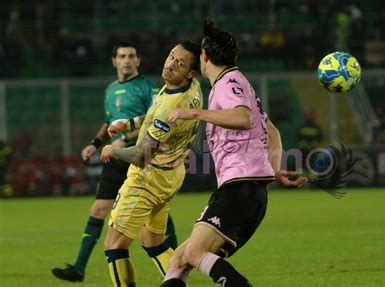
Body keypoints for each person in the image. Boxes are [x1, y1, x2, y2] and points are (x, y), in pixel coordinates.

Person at [161, 19, 306, 287]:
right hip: (251, 191)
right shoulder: (240, 82)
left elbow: (242, 117)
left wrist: (193, 113)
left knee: (193, 253)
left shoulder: (228, 83)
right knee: (179, 260)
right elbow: (271, 129)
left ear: (204, 57)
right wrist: (274, 170)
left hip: (238, 188)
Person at [51, 41, 178, 282]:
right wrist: (94, 144)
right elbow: (108, 121)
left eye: (131, 55)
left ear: (138, 60)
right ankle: (78, 268)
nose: (127, 60)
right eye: (122, 56)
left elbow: (154, 121)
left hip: (140, 156)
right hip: (115, 156)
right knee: (99, 209)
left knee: (156, 212)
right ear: (114, 61)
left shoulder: (147, 87)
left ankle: (176, 265)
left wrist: (124, 139)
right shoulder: (110, 89)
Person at [100, 40, 203, 286]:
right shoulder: (192, 87)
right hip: (172, 173)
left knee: (114, 246)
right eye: (171, 56)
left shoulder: (172, 105)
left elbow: (139, 155)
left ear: (191, 71)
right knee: (154, 242)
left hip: (148, 177)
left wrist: (113, 150)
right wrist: (130, 124)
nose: (171, 64)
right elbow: (156, 112)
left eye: (180, 63)